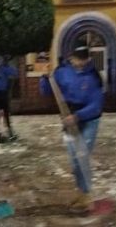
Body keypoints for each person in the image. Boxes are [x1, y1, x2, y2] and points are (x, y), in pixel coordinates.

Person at [39, 45, 104, 212]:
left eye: (84, 59)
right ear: (71, 58)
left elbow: (96, 106)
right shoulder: (62, 72)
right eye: (78, 59)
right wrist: (45, 78)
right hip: (68, 117)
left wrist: (77, 116)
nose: (81, 63)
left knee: (82, 156)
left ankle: (87, 195)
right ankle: (81, 192)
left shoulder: (94, 77)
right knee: (74, 160)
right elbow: (46, 92)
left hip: (88, 120)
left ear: (88, 58)